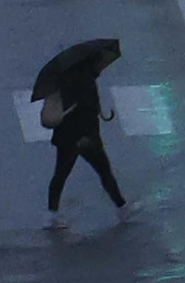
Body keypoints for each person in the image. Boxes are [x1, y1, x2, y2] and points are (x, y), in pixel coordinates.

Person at [47, 68, 132, 230]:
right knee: (104, 171)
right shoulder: (85, 81)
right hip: (83, 138)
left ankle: (53, 215)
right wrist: (85, 137)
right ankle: (122, 208)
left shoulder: (65, 79)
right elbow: (85, 112)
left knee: (60, 175)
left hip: (66, 137)